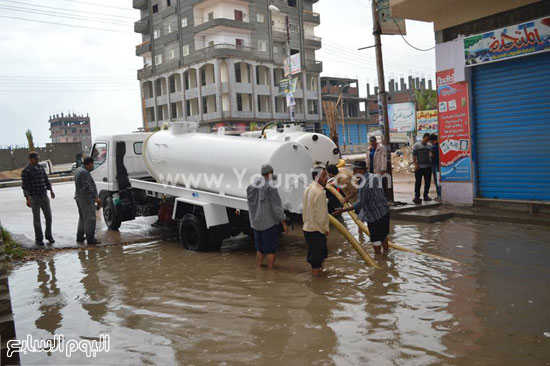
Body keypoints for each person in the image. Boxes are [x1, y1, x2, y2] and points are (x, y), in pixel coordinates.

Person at [333, 161, 390, 255]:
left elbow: (360, 203)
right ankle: (387, 254)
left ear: (360, 170)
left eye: (355, 171)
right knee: (383, 235)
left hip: (375, 215)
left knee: (375, 239)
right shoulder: (374, 176)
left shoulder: (364, 184)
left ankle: (379, 259)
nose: (354, 173)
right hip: (384, 211)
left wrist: (343, 210)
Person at [246, 164, 288, 269]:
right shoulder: (271, 187)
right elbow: (276, 208)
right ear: (270, 173)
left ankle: (258, 268)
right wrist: (283, 222)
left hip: (256, 223)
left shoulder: (252, 185)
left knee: (259, 249)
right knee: (270, 250)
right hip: (269, 223)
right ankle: (270, 272)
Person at [21, 152, 55, 245]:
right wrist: (27, 199)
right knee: (37, 219)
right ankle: (39, 238)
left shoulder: (40, 168)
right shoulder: (26, 171)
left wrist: (51, 190)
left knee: (48, 216)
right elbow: (25, 186)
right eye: (35, 159)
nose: (37, 161)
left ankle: (49, 236)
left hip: (44, 195)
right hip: (34, 197)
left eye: (37, 159)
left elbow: (46, 180)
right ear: (30, 159)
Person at [302, 167, 330, 276]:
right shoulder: (320, 193)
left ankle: (318, 281)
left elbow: (305, 210)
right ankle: (318, 284)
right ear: (316, 177)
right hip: (317, 230)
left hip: (307, 228)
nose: (326, 178)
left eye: (326, 175)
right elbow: (321, 216)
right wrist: (325, 229)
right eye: (324, 176)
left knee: (316, 258)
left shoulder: (308, 189)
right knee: (317, 261)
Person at [74, 157, 102, 244]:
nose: (93, 166)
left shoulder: (78, 170)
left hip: (79, 197)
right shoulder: (84, 172)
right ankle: (90, 238)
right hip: (86, 199)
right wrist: (96, 198)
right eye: (92, 164)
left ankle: (80, 236)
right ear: (89, 163)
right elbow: (87, 187)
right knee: (90, 219)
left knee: (82, 218)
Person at [412, 133, 433, 204]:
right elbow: (414, 156)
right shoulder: (416, 145)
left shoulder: (429, 146)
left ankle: (426, 195)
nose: (427, 141)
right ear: (423, 138)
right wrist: (416, 165)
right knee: (418, 182)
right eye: (426, 139)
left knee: (427, 182)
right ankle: (417, 196)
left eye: (428, 140)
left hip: (428, 167)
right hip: (419, 168)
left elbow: (431, 154)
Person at [430, 134, 442, 201]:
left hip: (435, 165)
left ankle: (439, 196)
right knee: (439, 181)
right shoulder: (440, 145)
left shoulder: (434, 147)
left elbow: (431, 155)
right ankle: (440, 195)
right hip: (440, 165)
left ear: (432, 140)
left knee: (437, 181)